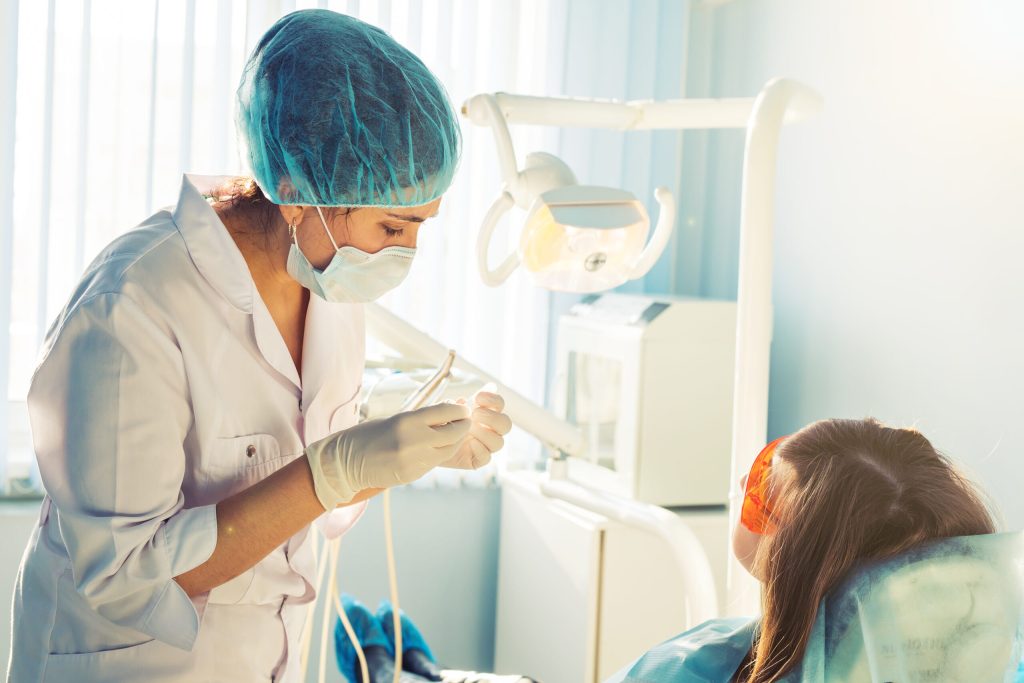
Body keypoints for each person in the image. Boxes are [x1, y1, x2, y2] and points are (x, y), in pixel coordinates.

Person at [7, 10, 511, 683]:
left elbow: (308, 449)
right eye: (393, 225)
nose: (408, 253)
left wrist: (403, 438)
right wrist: (334, 469)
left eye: (421, 227)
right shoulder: (132, 306)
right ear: (301, 191)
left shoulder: (329, 284)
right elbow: (127, 578)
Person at [608, 418, 1011, 683]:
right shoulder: (1003, 663)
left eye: (763, 495)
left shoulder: (694, 667)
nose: (747, 479)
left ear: (803, 563)